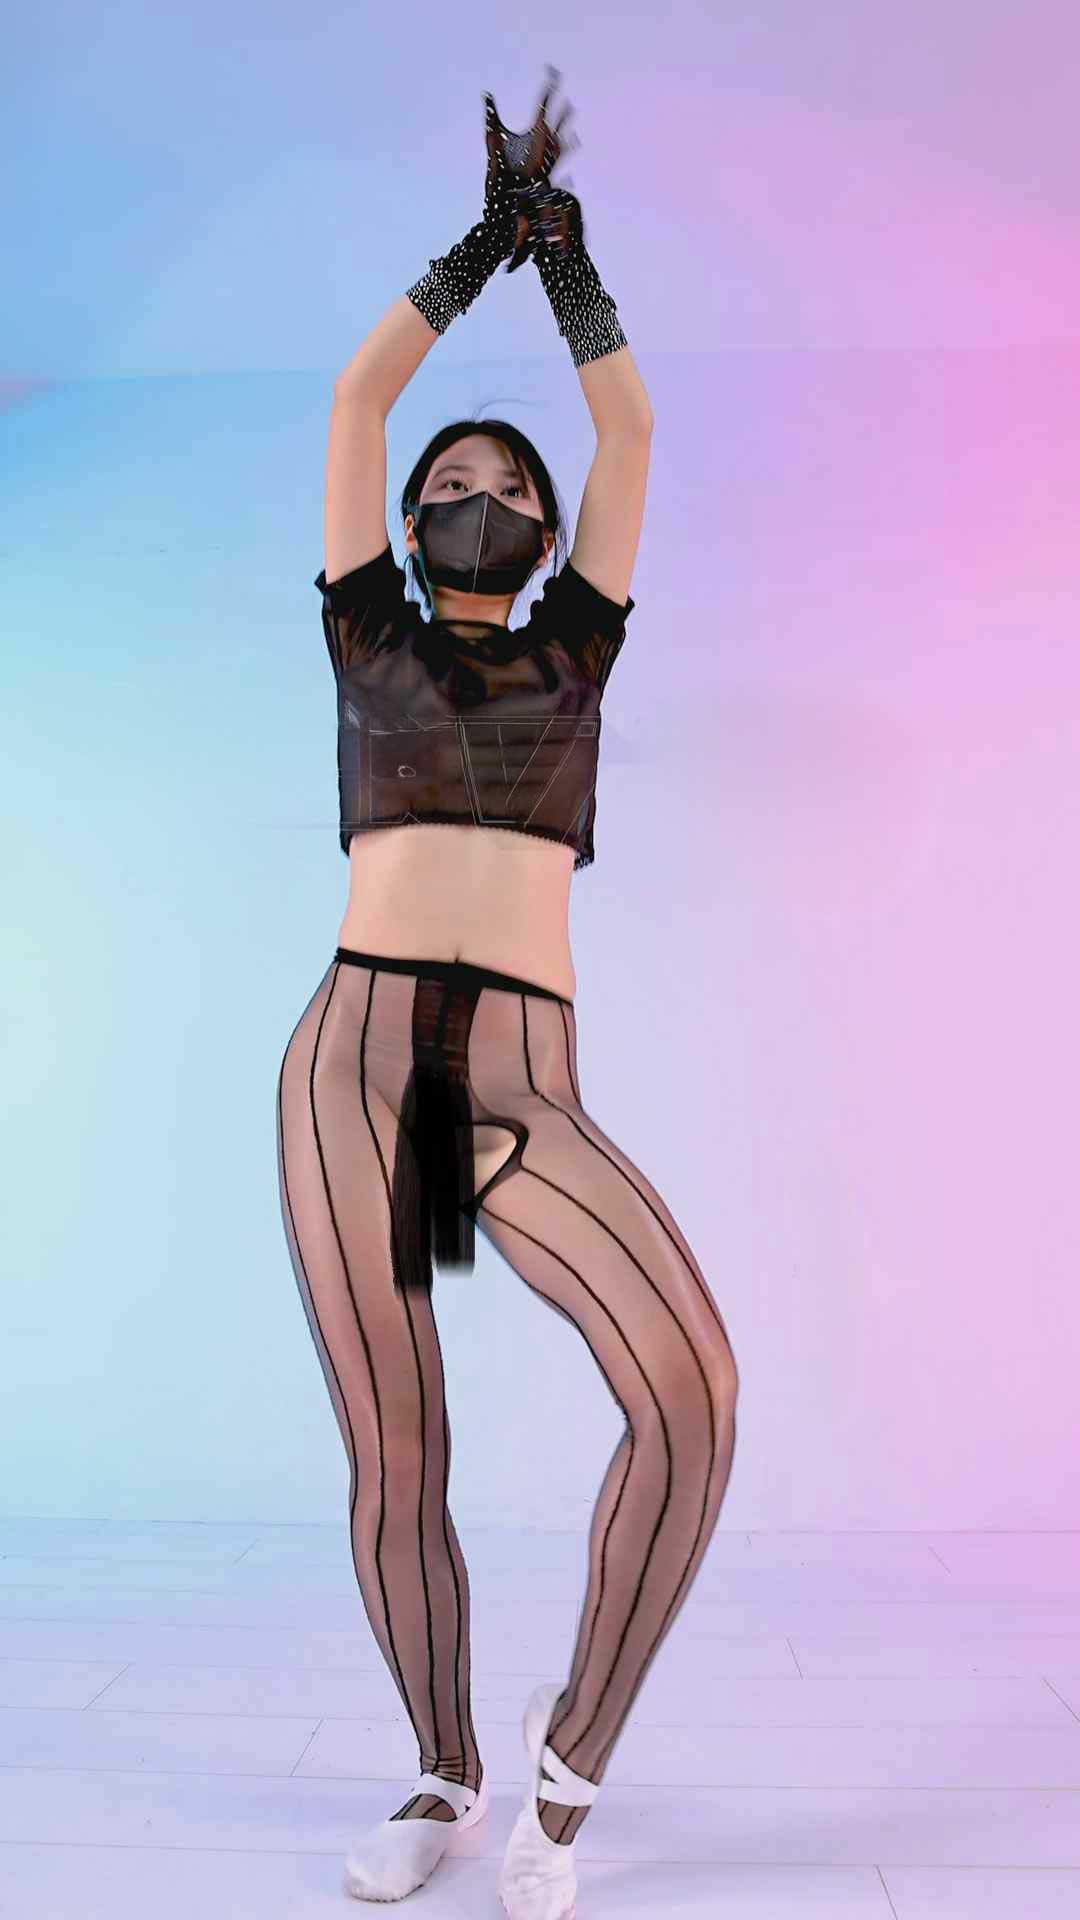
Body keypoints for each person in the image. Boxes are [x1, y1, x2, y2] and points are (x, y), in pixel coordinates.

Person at [275, 67, 740, 1917]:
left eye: (508, 486)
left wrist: (563, 258)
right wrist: (474, 244)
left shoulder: (578, 645)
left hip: (517, 1091)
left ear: (547, 533)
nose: (480, 496)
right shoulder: (364, 627)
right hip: (357, 1065)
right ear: (408, 522)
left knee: (688, 1391)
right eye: (450, 486)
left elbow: (629, 425)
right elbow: (356, 395)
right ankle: (440, 1770)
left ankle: (563, 1772)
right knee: (399, 1444)